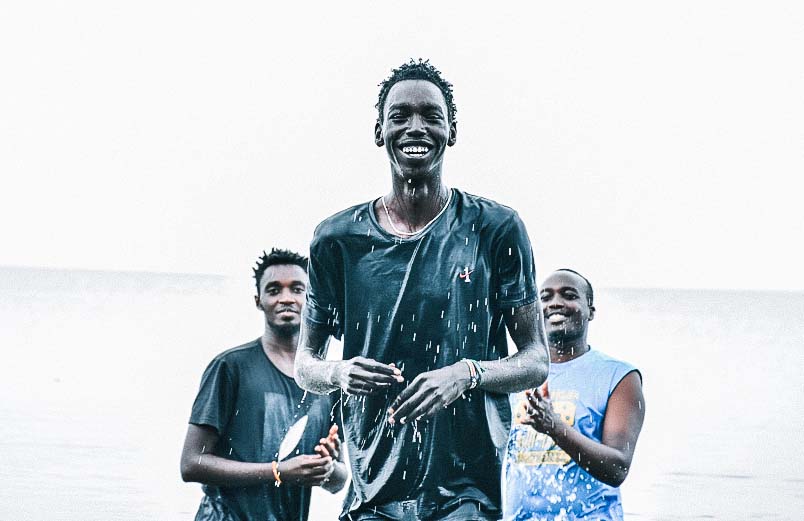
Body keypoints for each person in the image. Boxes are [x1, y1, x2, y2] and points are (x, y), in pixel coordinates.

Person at [294, 59, 550, 521]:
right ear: (379, 132)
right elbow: (305, 365)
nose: (416, 127)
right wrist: (340, 373)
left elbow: (535, 360)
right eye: (400, 116)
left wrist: (467, 373)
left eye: (431, 116)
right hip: (372, 493)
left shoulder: (494, 229)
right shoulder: (336, 240)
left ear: (451, 131)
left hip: (468, 494)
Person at [180, 248, 348, 521]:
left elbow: (339, 480)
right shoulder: (230, 367)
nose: (286, 298)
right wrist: (277, 471)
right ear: (259, 301)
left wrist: (326, 469)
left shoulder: (326, 381)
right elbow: (191, 464)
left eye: (297, 289)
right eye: (273, 290)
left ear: (312, 299)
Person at [503, 269, 646, 521]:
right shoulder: (513, 373)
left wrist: (555, 428)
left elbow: (617, 468)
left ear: (590, 311)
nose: (555, 303)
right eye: (544, 298)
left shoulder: (619, 377)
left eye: (568, 295)